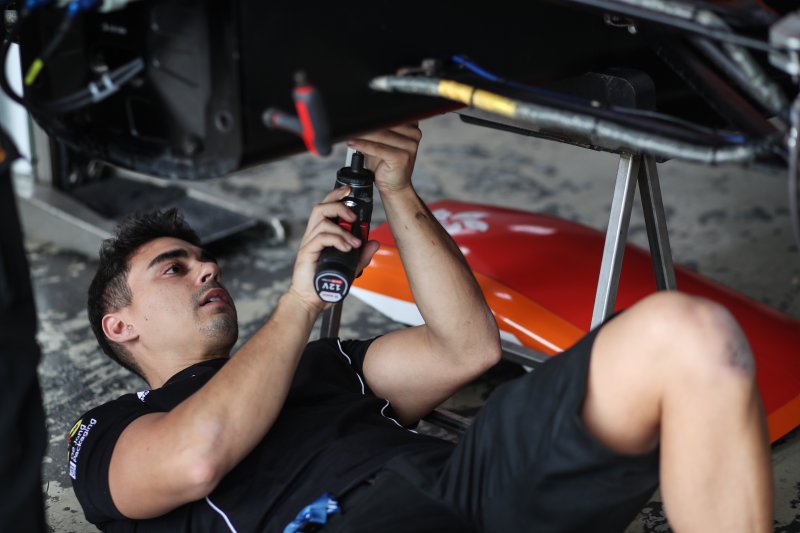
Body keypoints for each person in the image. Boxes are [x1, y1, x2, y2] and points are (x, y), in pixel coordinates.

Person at [69, 124, 773, 533]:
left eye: (203, 259)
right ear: (119, 324)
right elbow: (197, 457)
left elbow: (466, 348)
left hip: (462, 487)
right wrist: (299, 303)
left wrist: (398, 189)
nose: (205, 269)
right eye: (174, 268)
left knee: (686, 333)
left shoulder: (321, 365)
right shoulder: (108, 430)